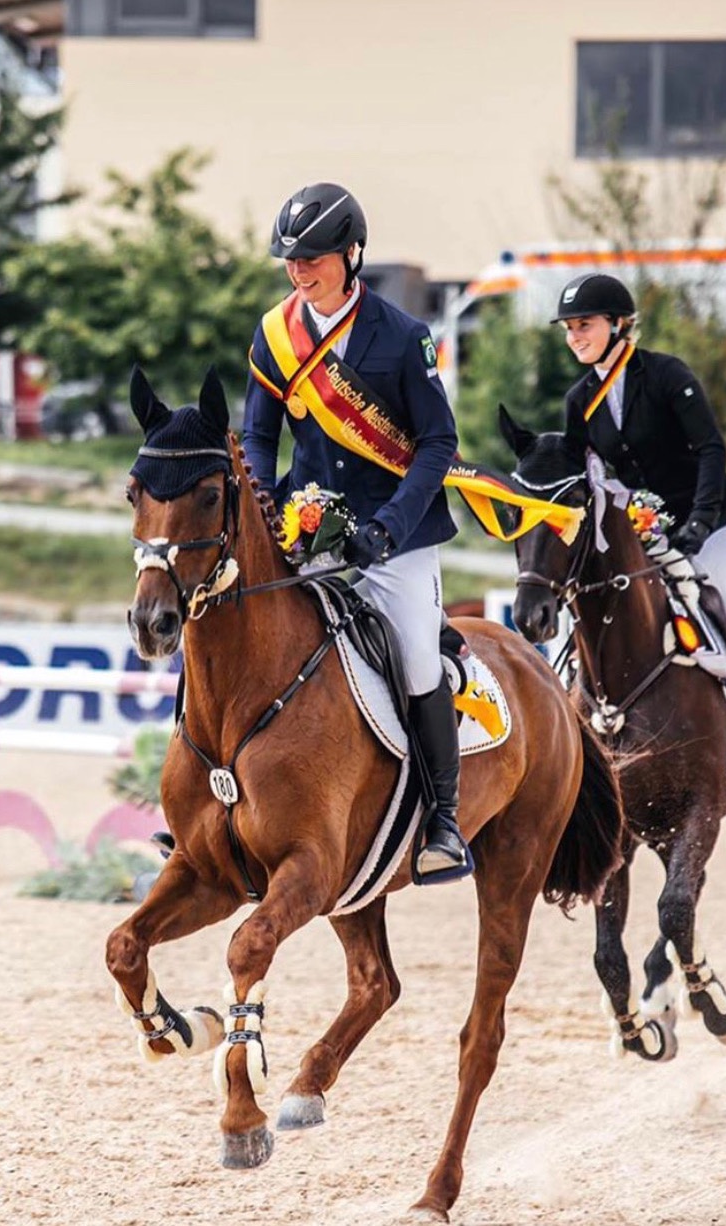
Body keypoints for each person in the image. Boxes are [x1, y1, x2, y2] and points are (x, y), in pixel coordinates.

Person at [242, 182, 471, 881]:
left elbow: (437, 443)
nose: (299, 271)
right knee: (236, 625)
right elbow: (258, 432)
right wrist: (260, 507)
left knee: (417, 660)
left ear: (351, 254)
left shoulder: (402, 337)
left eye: (312, 257)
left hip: (391, 537)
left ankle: (442, 820)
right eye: (290, 259)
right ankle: (214, 801)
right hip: (305, 528)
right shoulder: (276, 334)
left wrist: (388, 527)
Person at [553, 271, 726, 778]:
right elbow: (583, 477)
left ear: (619, 324)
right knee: (589, 609)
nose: (574, 337)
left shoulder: (668, 376)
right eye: (568, 329)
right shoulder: (578, 400)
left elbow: (711, 450)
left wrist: (698, 520)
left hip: (711, 523)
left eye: (584, 325)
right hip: (642, 536)